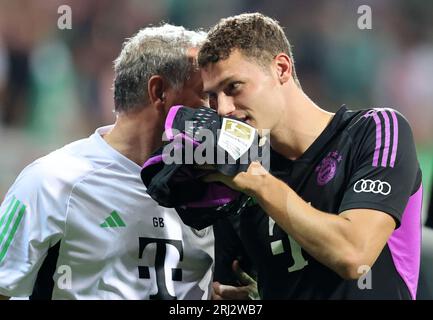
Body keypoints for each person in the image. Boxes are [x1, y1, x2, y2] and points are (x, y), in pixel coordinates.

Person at [198, 13, 422, 299]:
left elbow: (354, 256)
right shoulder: (236, 176)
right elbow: (229, 289)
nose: (223, 109)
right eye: (213, 96)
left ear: (281, 69)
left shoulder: (376, 130)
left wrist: (260, 183)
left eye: (233, 87)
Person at [0, 24, 217, 300]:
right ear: (159, 91)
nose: (216, 109)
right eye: (206, 94)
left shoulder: (214, 187)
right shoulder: (51, 182)